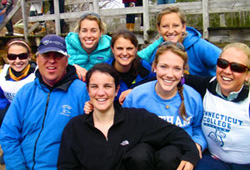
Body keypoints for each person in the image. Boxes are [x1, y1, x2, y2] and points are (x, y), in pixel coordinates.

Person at [57, 63, 200, 170]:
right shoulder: (75, 128)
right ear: (88, 90)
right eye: (94, 87)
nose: (100, 93)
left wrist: (191, 154)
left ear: (116, 89)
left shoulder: (136, 119)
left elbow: (175, 133)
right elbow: (66, 167)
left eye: (107, 86)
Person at [0, 34, 89, 170]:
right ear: (38, 58)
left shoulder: (83, 92)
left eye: (57, 56)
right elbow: (8, 133)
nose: (51, 61)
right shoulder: (26, 92)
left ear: (67, 60)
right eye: (46, 55)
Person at [123, 42, 206, 157]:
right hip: (143, 153)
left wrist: (198, 144)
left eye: (177, 69)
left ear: (183, 71)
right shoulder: (137, 96)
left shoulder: (192, 97)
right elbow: (124, 127)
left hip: (178, 153)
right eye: (164, 67)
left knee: (168, 156)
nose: (169, 74)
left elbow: (198, 127)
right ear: (154, 67)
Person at [183, 42, 250, 170]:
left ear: (247, 75)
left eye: (237, 68)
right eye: (222, 64)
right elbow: (176, 77)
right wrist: (133, 89)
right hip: (214, 160)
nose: (227, 71)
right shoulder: (207, 85)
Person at [138, 6, 222, 77]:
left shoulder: (199, 46)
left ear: (183, 27)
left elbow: (225, 62)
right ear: (159, 29)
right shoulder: (157, 51)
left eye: (175, 26)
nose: (171, 31)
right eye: (165, 26)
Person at [107, 29, 155, 102]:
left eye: (129, 49)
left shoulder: (145, 68)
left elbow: (155, 88)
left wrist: (135, 92)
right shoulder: (104, 71)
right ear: (112, 49)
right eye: (120, 48)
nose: (125, 53)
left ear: (136, 49)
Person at [65, 12, 112, 81]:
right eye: (84, 31)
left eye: (93, 31)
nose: (89, 35)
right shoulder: (67, 45)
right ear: (79, 33)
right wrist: (72, 66)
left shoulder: (110, 47)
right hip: (72, 85)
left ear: (101, 32)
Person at [0, 38, 36, 125]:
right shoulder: (2, 75)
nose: (17, 61)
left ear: (30, 56)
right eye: (12, 57)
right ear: (7, 58)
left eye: (22, 56)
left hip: (33, 116)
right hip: (10, 116)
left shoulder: (39, 74)